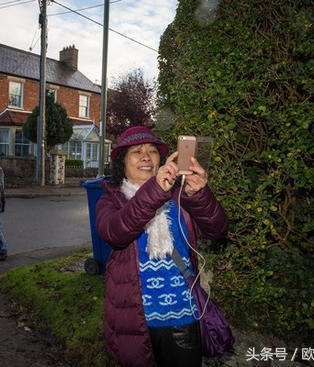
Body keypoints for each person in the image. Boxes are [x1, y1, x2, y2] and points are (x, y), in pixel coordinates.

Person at [96, 126, 228, 367]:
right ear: (122, 163)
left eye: (153, 151)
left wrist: (199, 195)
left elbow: (217, 229)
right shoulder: (110, 200)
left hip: (183, 320)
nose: (146, 156)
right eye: (136, 151)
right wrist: (155, 190)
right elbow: (115, 232)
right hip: (133, 322)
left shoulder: (179, 196)